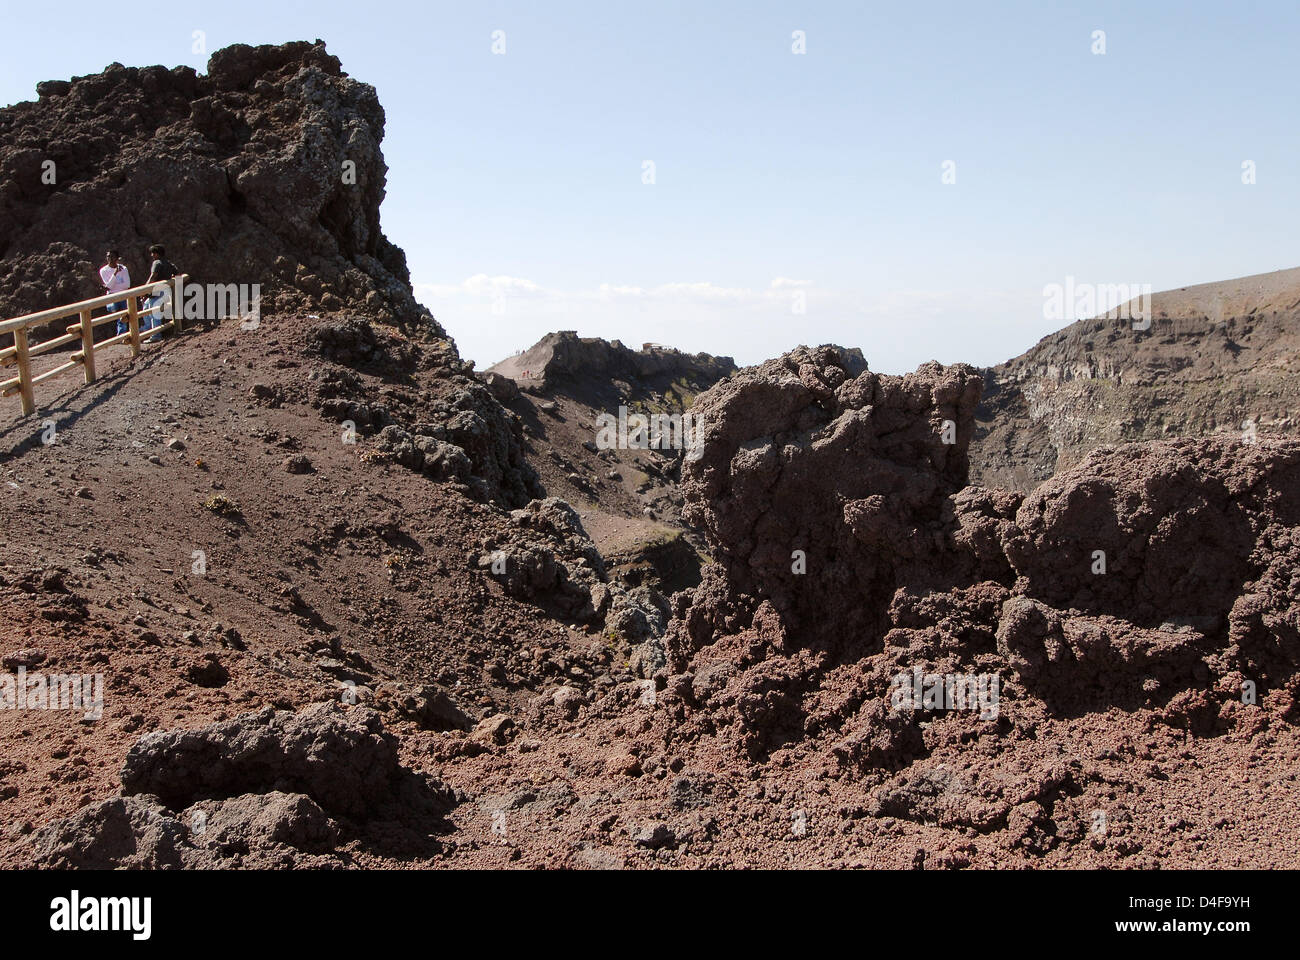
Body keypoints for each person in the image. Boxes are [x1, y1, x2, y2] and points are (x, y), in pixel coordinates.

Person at [139, 244, 179, 334]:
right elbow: (176, 273)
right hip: (165, 291)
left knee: (154, 313)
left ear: (156, 254)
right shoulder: (168, 263)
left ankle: (156, 335)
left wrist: (144, 290)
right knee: (146, 307)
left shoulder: (157, 263)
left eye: (152, 253)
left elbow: (153, 277)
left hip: (156, 291)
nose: (151, 255)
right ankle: (148, 329)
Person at [98, 250, 132, 335]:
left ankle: (122, 335)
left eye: (112, 256)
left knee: (124, 317)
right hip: (112, 296)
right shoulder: (104, 270)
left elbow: (127, 285)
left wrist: (113, 286)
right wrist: (115, 273)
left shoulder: (123, 268)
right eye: (108, 256)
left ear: (117, 258)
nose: (110, 258)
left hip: (123, 295)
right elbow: (109, 286)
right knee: (115, 314)